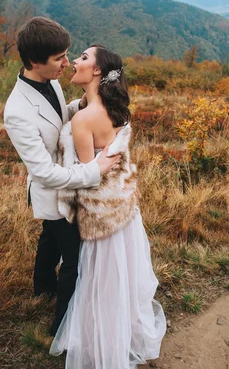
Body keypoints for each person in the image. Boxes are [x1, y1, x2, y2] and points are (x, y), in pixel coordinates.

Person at [50, 45, 166, 368]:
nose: (75, 60)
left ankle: (102, 347)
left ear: (98, 72)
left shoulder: (84, 120)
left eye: (84, 58)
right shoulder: (117, 111)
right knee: (124, 279)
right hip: (126, 211)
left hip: (102, 217)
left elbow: (89, 177)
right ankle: (124, 335)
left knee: (101, 285)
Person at [3, 18, 120, 336]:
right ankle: (62, 325)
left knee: (49, 237)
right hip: (55, 189)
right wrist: (94, 171)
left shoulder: (49, 81)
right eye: (60, 59)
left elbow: (56, 117)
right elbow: (43, 173)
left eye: (68, 55)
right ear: (34, 62)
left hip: (65, 179)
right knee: (74, 258)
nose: (67, 64)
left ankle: (42, 286)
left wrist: (82, 106)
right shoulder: (17, 112)